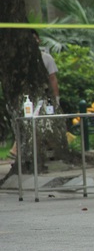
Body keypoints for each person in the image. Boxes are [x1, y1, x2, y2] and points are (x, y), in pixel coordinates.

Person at [9, 30, 60, 159]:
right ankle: (18, 149)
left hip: (44, 96)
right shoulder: (21, 59)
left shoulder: (47, 58)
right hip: (27, 97)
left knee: (46, 122)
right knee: (28, 122)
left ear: (39, 40)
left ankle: (50, 150)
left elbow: (52, 78)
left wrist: (56, 97)